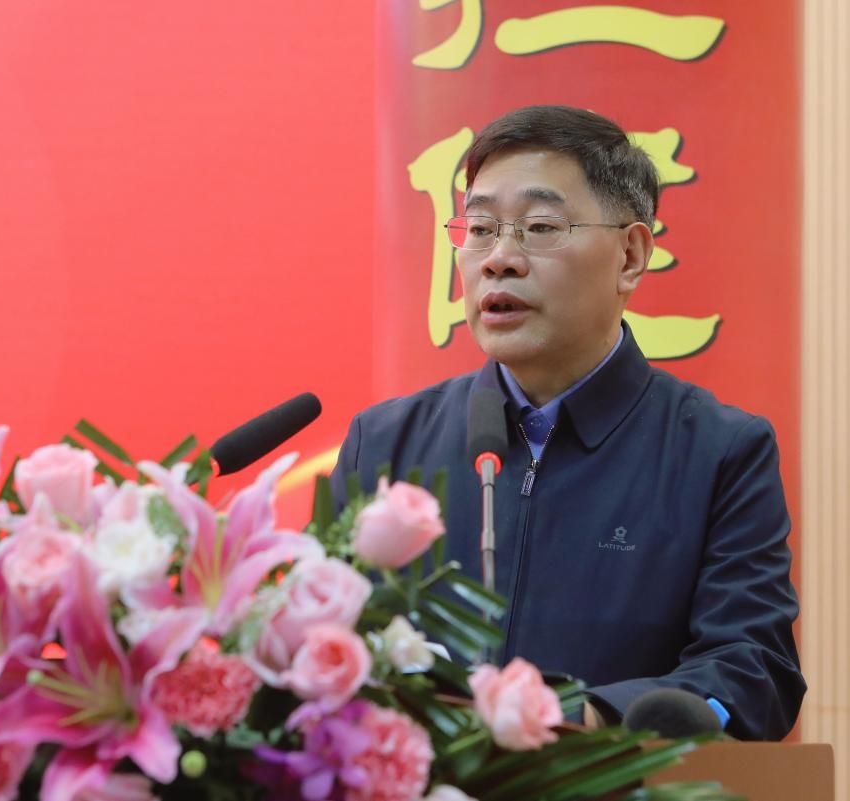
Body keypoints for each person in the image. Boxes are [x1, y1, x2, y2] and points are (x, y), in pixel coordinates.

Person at [329, 105, 804, 740]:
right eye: (480, 229)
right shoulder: (384, 444)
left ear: (630, 256)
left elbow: (752, 672)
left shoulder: (720, 452)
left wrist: (584, 719)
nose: (499, 259)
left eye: (540, 227)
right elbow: (322, 645)